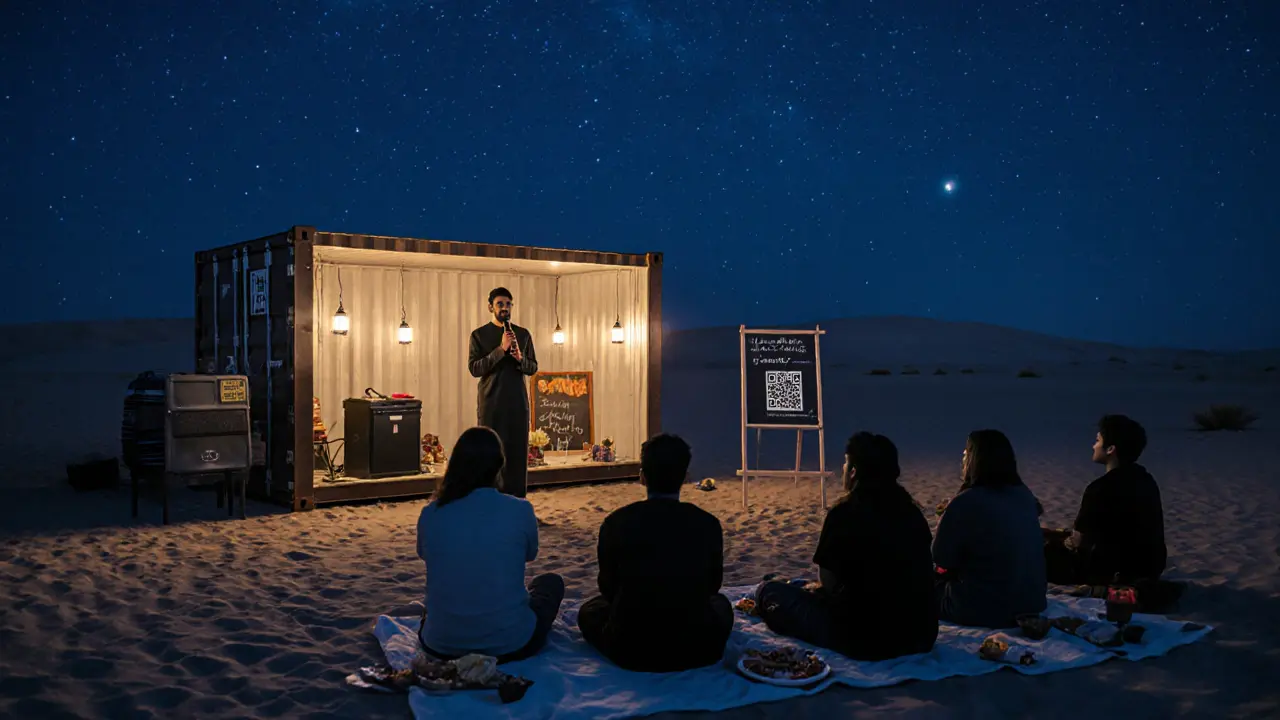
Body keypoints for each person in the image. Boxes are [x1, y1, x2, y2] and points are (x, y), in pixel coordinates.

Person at [755, 432, 939, 661]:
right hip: (920, 636)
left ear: (853, 471)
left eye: (845, 463)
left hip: (863, 638)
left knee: (768, 591)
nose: (842, 468)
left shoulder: (844, 513)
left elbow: (829, 582)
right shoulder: (913, 514)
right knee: (800, 586)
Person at [577, 434, 733, 672]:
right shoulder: (707, 523)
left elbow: (607, 588)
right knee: (722, 605)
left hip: (630, 649)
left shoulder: (616, 522)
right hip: (699, 648)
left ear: (642, 476)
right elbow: (713, 586)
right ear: (686, 477)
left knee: (589, 611)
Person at [416, 427, 564, 662]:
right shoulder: (520, 509)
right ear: (499, 465)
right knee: (550, 583)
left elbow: (426, 555)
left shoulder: (431, 513)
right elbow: (530, 554)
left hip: (441, 645)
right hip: (511, 644)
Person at [933, 430, 1047, 628]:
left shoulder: (966, 501)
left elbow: (942, 558)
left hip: (985, 609)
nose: (962, 457)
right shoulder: (1025, 496)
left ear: (974, 459)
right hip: (1032, 601)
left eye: (966, 453)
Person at [1044, 415, 1167, 585]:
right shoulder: (1146, 480)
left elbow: (1080, 543)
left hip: (1113, 572)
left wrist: (1060, 541)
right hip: (1149, 567)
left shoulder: (1100, 488)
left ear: (1110, 449)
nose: (1093, 446)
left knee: (1043, 551)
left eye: (1097, 440)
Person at [468, 287, 538, 498]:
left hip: (517, 402)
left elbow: (532, 367)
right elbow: (474, 369)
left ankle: (517, 500)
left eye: (508, 304)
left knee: (516, 453)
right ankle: (490, 499)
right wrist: (500, 350)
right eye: (500, 304)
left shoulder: (523, 334)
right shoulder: (479, 335)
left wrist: (519, 359)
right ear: (491, 307)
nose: (505, 308)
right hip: (491, 402)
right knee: (490, 453)